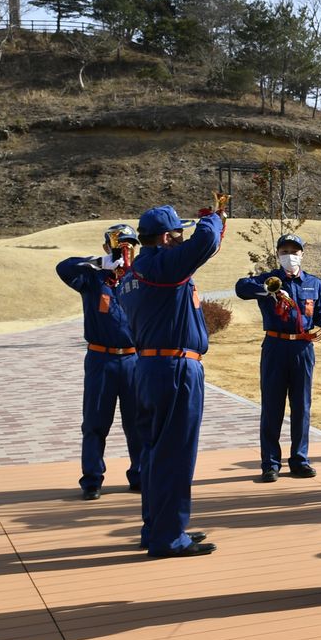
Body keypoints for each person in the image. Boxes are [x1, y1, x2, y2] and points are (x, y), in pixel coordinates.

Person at [118, 203, 224, 557]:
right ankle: (168, 536)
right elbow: (206, 240)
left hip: (149, 368)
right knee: (175, 454)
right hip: (175, 369)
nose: (181, 237)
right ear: (165, 237)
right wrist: (215, 217)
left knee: (154, 451)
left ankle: (157, 527)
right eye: (177, 232)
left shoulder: (134, 273)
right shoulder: (162, 264)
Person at [55, 225, 143, 500]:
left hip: (133, 359)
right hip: (100, 358)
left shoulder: (142, 276)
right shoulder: (94, 278)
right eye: (118, 244)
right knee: (95, 421)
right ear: (107, 247)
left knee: (138, 422)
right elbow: (64, 268)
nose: (125, 248)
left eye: (129, 244)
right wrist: (100, 263)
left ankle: (140, 474)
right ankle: (92, 479)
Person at [235, 233, 321, 482]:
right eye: (285, 251)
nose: (291, 255)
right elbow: (240, 288)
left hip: (302, 348)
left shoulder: (314, 283)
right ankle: (270, 462)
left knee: (302, 406)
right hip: (275, 345)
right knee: (272, 406)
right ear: (278, 254)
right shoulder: (269, 280)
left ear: (302, 254)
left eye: (295, 251)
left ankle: (299, 459)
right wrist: (266, 290)